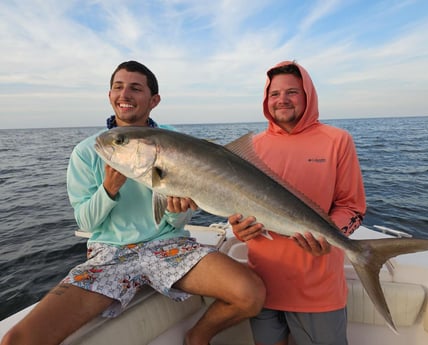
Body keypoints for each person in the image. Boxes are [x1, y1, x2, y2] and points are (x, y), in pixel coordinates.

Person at [1, 61, 265, 345]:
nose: (124, 94)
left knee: (250, 294)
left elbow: (178, 216)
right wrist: (108, 189)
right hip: (110, 252)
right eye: (118, 87)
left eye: (135, 88)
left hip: (168, 246)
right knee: (20, 339)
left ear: (154, 101)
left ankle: (198, 337)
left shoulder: (176, 142)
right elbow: (86, 223)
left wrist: (177, 213)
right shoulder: (87, 151)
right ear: (110, 95)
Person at [229, 61, 366, 345]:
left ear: (308, 95)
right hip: (262, 285)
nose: (282, 100)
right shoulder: (251, 148)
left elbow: (352, 207)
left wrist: (332, 236)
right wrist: (239, 229)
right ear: (266, 100)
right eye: (274, 94)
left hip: (318, 287)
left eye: (292, 92)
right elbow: (238, 206)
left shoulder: (337, 140)